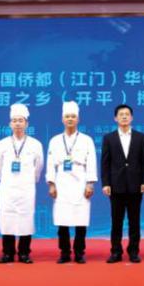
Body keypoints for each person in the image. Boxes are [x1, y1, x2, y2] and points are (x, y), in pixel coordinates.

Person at [46, 101, 97, 264]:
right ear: (62, 119)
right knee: (62, 220)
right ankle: (65, 252)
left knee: (81, 219)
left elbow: (91, 162)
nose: (70, 119)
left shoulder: (86, 140)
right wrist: (51, 184)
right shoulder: (54, 140)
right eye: (67, 116)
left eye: (73, 116)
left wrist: (90, 183)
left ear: (78, 119)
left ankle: (79, 252)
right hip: (61, 182)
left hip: (80, 181)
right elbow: (50, 164)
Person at [100, 104, 144, 263]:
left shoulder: (140, 137)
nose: (124, 116)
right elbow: (105, 163)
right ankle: (116, 252)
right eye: (121, 114)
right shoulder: (108, 138)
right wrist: (106, 183)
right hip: (116, 186)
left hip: (136, 185)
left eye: (127, 114)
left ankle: (134, 251)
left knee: (134, 221)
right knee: (116, 221)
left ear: (132, 117)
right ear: (115, 118)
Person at [0, 103, 44, 264]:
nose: (17, 124)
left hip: (26, 188)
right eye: (14, 120)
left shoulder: (35, 144)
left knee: (26, 218)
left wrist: (30, 181)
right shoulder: (2, 144)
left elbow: (39, 166)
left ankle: (24, 253)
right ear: (10, 124)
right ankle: (7, 253)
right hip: (7, 187)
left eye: (21, 120)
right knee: (6, 218)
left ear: (26, 124)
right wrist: (6, 179)